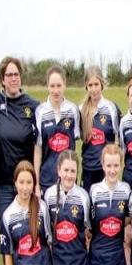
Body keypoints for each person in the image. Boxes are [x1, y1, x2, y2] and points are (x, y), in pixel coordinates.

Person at [0, 57, 40, 265]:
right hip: (4, 185)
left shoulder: (32, 105)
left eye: (16, 74)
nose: (13, 78)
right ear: (2, 79)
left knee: (30, 233)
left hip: (27, 183)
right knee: (9, 235)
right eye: (9, 75)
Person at [45, 150, 91, 265]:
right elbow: (47, 234)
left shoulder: (83, 197)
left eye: (73, 171)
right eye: (66, 170)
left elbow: (88, 231)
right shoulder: (48, 196)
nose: (69, 175)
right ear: (58, 170)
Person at [88, 144, 130, 265]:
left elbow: (128, 220)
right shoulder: (94, 191)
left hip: (116, 261)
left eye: (116, 166)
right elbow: (89, 228)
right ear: (103, 166)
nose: (112, 170)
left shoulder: (126, 190)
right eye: (109, 166)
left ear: (121, 166)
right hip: (98, 259)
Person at [34, 65, 80, 195]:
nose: (55, 90)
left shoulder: (73, 110)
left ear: (65, 85)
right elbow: (37, 150)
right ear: (47, 86)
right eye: (52, 86)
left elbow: (73, 146)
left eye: (59, 86)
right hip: (47, 180)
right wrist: (36, 184)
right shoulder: (40, 112)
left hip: (68, 180)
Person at [79, 66, 120, 191]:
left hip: (107, 170)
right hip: (88, 171)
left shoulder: (111, 108)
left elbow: (121, 139)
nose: (93, 89)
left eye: (96, 84)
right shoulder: (80, 110)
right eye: (90, 85)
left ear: (102, 84)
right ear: (86, 87)